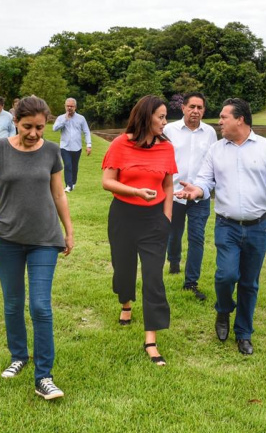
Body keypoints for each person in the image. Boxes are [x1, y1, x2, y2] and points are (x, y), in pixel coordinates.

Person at [177, 98, 266, 355]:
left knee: (249, 283)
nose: (219, 121)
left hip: (258, 228)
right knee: (225, 275)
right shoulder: (216, 149)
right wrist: (197, 190)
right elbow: (205, 180)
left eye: (224, 117)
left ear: (241, 119)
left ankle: (244, 333)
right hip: (227, 226)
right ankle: (223, 311)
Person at [0, 95, 74, 400]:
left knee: (41, 306)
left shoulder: (52, 152)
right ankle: (19, 355)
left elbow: (59, 195)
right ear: (15, 122)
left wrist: (68, 231)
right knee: (13, 302)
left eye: (40, 128)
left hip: (44, 238)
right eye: (28, 126)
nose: (33, 133)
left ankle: (44, 375)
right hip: (7, 238)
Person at [101, 95, 177, 366]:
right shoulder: (121, 144)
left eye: (166, 116)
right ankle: (125, 302)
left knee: (154, 277)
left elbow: (168, 186)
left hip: (154, 219)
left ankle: (151, 340)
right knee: (123, 269)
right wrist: (135, 191)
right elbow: (107, 182)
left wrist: (166, 218)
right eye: (161, 117)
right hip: (123, 215)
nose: (165, 122)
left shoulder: (167, 148)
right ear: (146, 117)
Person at [163, 92, 217, 300]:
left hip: (199, 196)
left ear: (204, 110)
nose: (196, 111)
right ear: (183, 108)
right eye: (192, 106)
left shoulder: (210, 133)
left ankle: (191, 282)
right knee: (174, 233)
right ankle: (174, 260)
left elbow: (213, 162)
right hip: (174, 193)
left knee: (197, 238)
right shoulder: (169, 130)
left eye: (200, 107)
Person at [53, 98, 92, 192]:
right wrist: (65, 120)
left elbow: (86, 131)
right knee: (67, 165)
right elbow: (54, 129)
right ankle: (68, 185)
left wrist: (89, 145)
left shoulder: (81, 118)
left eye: (71, 106)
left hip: (77, 147)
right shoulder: (61, 118)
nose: (69, 108)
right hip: (64, 147)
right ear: (65, 106)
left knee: (74, 166)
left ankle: (73, 183)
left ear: (75, 107)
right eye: (68, 106)